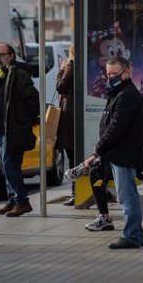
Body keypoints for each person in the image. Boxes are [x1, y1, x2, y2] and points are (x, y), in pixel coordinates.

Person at [82, 56, 143, 249]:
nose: (109, 77)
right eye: (107, 74)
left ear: (126, 73)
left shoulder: (127, 95)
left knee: (127, 198)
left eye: (114, 74)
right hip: (118, 154)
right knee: (127, 196)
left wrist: (98, 148)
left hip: (123, 155)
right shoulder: (117, 93)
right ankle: (135, 234)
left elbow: (116, 127)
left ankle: (132, 236)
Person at [0, 42, 40, 217]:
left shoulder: (18, 74)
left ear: (11, 56)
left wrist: (28, 121)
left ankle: (22, 201)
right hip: (1, 129)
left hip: (14, 129)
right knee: (6, 167)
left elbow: (33, 98)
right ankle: (12, 200)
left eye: (2, 55)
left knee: (10, 164)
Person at [56, 44, 76, 206]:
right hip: (75, 115)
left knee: (73, 156)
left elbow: (60, 87)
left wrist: (61, 70)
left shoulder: (71, 65)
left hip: (70, 117)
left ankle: (76, 192)